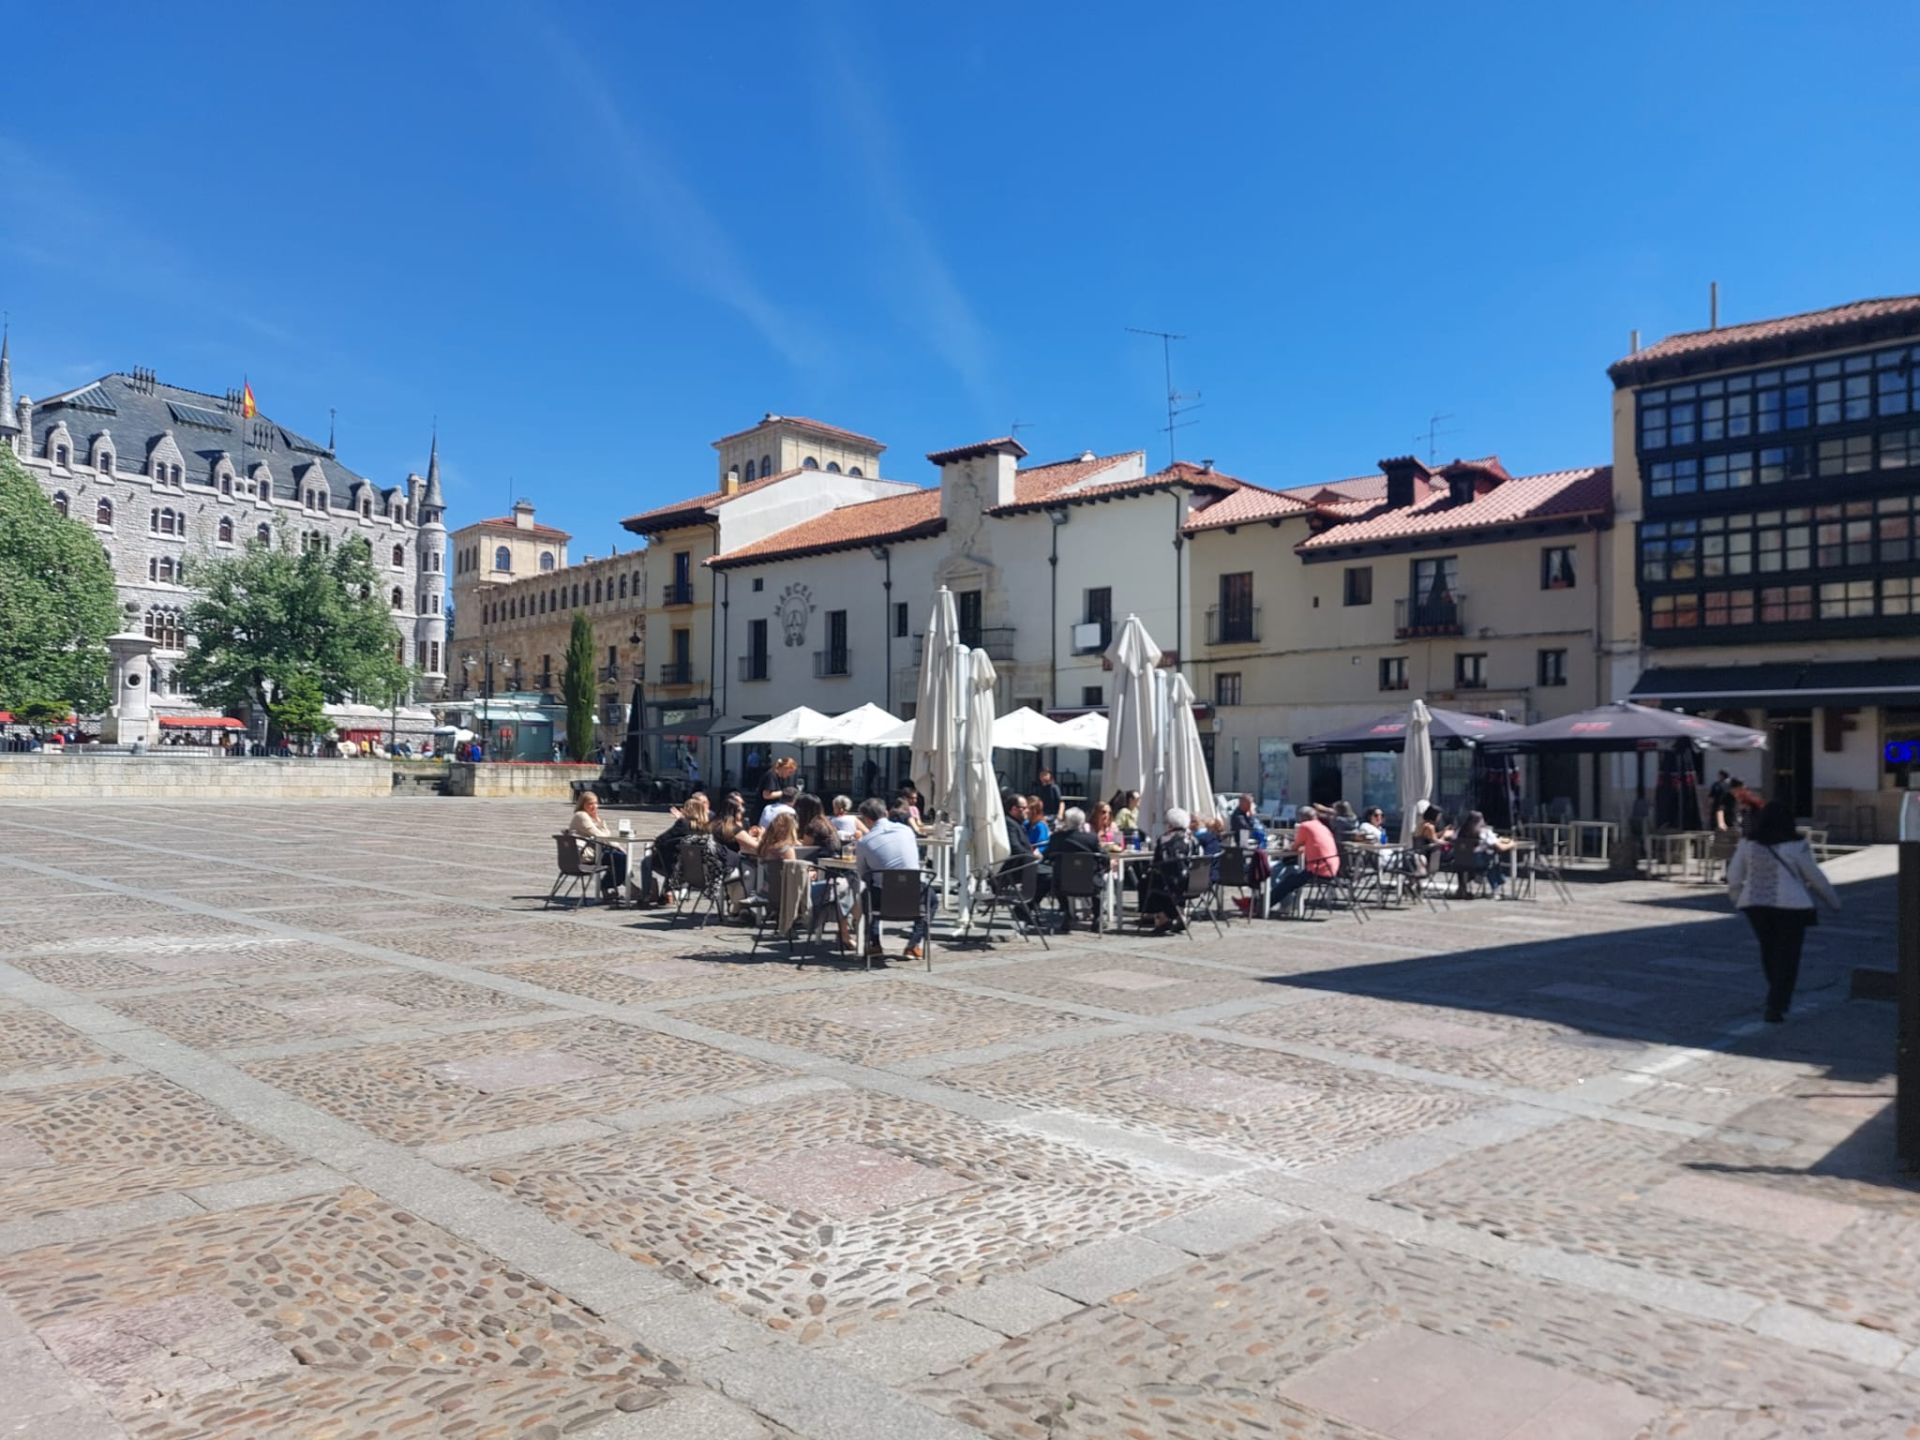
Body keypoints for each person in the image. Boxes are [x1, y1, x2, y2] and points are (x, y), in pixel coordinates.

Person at [1728, 799, 1840, 1022]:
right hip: (1791, 906)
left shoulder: (1748, 844)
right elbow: (1814, 877)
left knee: (1769, 951)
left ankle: (1775, 996)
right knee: (1788, 956)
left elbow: (1734, 877)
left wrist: (1738, 899)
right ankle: (1777, 1003)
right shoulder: (1797, 845)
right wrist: (1833, 901)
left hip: (1756, 905)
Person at [853, 798, 933, 961]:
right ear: (886, 813)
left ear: (866, 819)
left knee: (868, 893)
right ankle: (914, 944)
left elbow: (863, 874)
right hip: (913, 894)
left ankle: (874, 944)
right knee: (932, 899)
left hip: (884, 899)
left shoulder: (864, 843)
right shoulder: (907, 831)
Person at [1142, 807, 1204, 934]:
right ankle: (1180, 913)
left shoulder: (1164, 839)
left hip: (1173, 883)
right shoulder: (1193, 839)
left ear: (1170, 824)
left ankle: (1162, 917)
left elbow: (1157, 862)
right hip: (1194, 883)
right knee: (1174, 876)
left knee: (1148, 881)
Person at [1270, 804, 1340, 913]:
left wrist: (1289, 848)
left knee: (1288, 880)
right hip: (1332, 868)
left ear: (1303, 817)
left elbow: (1295, 847)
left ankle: (1265, 905)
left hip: (1317, 869)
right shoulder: (1323, 827)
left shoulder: (1305, 826)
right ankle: (1287, 906)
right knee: (1292, 875)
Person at [1045, 806, 1105, 931]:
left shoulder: (1056, 838)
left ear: (1066, 821)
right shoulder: (1091, 838)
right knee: (1100, 877)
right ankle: (1097, 916)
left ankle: (1067, 913)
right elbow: (1103, 856)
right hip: (1089, 883)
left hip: (1063, 884)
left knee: (1055, 878)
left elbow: (1048, 856)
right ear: (1082, 822)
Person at [567, 792, 629, 902]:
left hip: (595, 850)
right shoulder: (581, 816)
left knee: (620, 858)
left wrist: (599, 821)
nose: (594, 806)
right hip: (586, 854)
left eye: (596, 803)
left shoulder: (590, 817)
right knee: (622, 858)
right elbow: (600, 836)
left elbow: (607, 835)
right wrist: (618, 846)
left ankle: (625, 888)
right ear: (583, 804)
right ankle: (606, 885)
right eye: (590, 804)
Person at [1451, 810, 1514, 895]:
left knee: (1490, 859)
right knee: (1493, 860)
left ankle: (1465, 886)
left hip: (1461, 862)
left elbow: (1452, 839)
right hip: (1478, 863)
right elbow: (1500, 848)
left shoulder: (1459, 831)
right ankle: (1496, 886)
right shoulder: (1484, 832)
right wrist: (1512, 844)